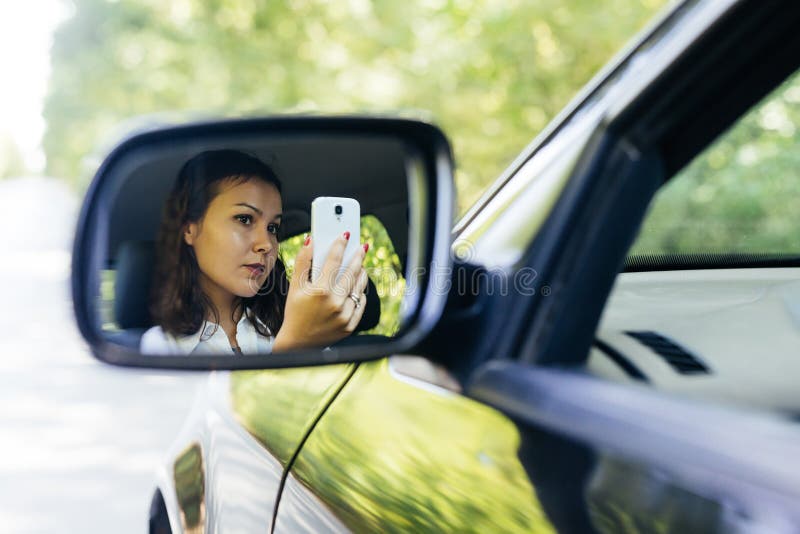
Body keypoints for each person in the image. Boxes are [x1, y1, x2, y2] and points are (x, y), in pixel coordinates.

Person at [140, 149, 369, 355]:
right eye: (244, 219)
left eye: (273, 228)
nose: (266, 244)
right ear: (189, 229)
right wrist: (293, 347)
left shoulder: (292, 328)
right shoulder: (161, 347)